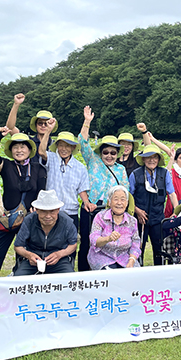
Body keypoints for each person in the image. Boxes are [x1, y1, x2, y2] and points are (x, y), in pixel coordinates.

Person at [0, 129, 47, 277]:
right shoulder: (6, 166)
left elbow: (41, 192)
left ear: (29, 149)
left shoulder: (37, 168)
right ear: (11, 150)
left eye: (23, 147)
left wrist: (37, 207)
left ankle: (20, 284)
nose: (19, 150)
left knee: (25, 256)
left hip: (29, 220)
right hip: (8, 218)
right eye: (15, 147)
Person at [78, 105, 129, 271]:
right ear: (101, 152)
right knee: (86, 242)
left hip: (110, 213)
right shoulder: (93, 160)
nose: (109, 155)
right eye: (106, 152)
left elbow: (125, 191)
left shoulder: (121, 170)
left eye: (113, 153)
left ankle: (103, 271)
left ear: (117, 154)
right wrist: (87, 122)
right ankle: (84, 275)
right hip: (91, 207)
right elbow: (82, 142)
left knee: (108, 242)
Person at [129, 144, 178, 265]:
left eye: (155, 157)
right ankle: (137, 273)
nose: (152, 160)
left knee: (159, 249)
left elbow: (172, 194)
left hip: (158, 219)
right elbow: (128, 197)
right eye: (148, 157)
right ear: (144, 159)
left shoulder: (164, 173)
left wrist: (177, 212)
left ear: (158, 159)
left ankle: (159, 274)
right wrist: (137, 211)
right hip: (140, 219)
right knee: (138, 249)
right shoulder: (135, 174)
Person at [37, 120, 91, 230]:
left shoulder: (80, 167)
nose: (64, 149)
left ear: (73, 148)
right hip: (51, 211)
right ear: (56, 146)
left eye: (67, 146)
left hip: (71, 211)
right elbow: (41, 152)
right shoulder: (51, 158)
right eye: (61, 145)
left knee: (70, 242)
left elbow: (82, 190)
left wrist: (86, 202)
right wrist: (48, 131)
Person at [13, 190, 78, 275]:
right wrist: (29, 255)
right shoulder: (29, 221)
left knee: (70, 280)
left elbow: (73, 244)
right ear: (37, 210)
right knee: (19, 279)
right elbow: (18, 246)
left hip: (59, 261)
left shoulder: (67, 222)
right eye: (43, 211)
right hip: (33, 260)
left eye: (52, 211)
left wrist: (60, 254)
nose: (48, 216)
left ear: (58, 210)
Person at [88, 185, 141, 270]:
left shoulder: (132, 221)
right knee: (110, 277)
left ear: (127, 203)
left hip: (125, 258)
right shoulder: (100, 217)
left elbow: (136, 244)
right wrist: (108, 239)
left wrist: (131, 261)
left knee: (135, 278)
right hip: (103, 257)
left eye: (123, 199)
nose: (119, 203)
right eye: (116, 199)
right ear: (109, 202)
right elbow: (94, 240)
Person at [4, 93, 57, 163]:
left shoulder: (55, 145)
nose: (43, 126)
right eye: (40, 123)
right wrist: (16, 104)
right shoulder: (28, 141)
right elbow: (10, 127)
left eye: (47, 123)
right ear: (35, 125)